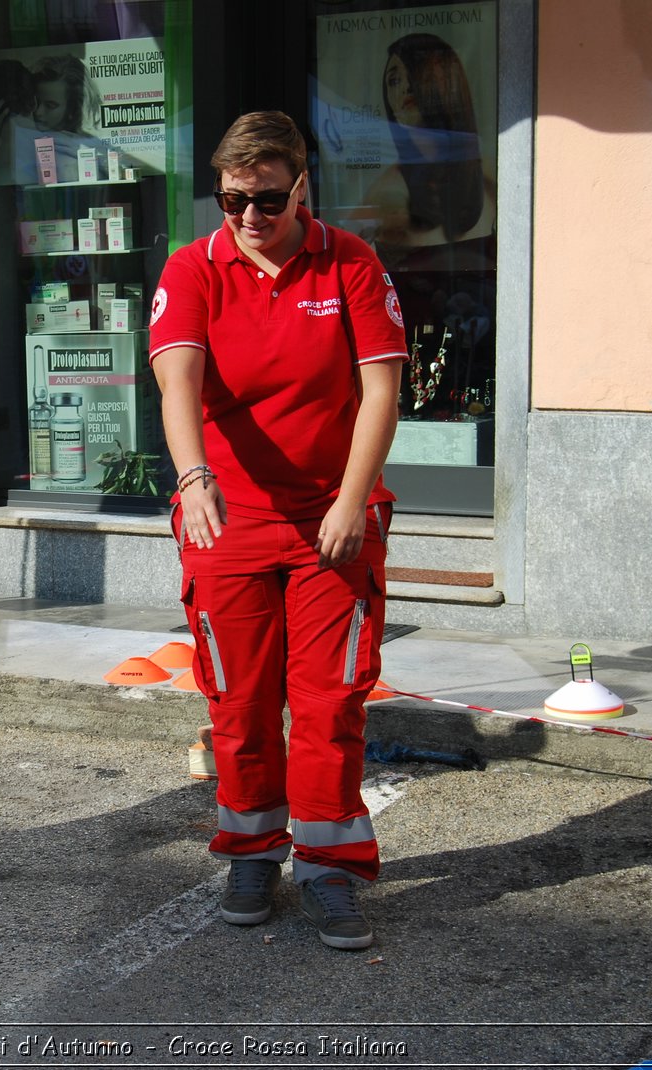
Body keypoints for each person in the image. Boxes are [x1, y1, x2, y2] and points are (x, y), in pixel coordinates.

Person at [148, 111, 406, 949]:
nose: (250, 218)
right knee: (241, 699)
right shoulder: (194, 268)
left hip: (333, 518)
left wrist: (351, 499)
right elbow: (176, 384)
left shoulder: (351, 262)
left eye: (266, 199)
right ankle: (252, 849)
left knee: (331, 701)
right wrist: (194, 480)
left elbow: (380, 391)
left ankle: (330, 868)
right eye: (231, 200)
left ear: (301, 187)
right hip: (230, 525)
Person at [365, 32, 495, 263]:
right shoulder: (388, 188)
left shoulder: (490, 181)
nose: (406, 88)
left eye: (419, 76)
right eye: (394, 80)